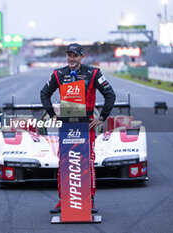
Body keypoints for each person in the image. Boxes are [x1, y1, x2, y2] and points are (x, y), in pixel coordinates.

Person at [40, 43, 116, 214]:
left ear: (82, 56)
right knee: (63, 162)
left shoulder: (93, 73)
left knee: (87, 161)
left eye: (75, 55)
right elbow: (44, 94)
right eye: (69, 55)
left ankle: (90, 199)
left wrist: (101, 118)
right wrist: (52, 114)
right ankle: (63, 200)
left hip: (87, 123)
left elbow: (110, 94)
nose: (71, 58)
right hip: (66, 124)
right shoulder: (58, 74)